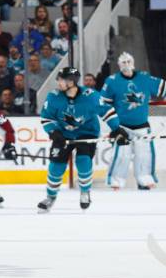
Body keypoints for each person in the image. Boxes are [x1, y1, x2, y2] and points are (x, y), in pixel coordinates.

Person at [37, 67, 129, 213]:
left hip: (87, 132)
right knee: (56, 167)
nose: (58, 82)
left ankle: (85, 192)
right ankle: (50, 197)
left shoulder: (90, 96)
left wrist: (117, 129)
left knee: (83, 161)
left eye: (61, 79)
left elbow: (107, 111)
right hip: (63, 134)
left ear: (71, 82)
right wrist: (54, 132)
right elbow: (46, 117)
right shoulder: (53, 96)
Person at [101, 52, 166, 190]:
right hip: (122, 127)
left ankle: (145, 178)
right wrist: (111, 127)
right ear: (118, 65)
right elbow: (104, 104)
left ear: (133, 62)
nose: (126, 65)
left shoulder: (144, 78)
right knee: (121, 155)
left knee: (145, 154)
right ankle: (116, 181)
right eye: (123, 62)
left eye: (128, 61)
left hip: (142, 126)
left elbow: (163, 85)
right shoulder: (111, 81)